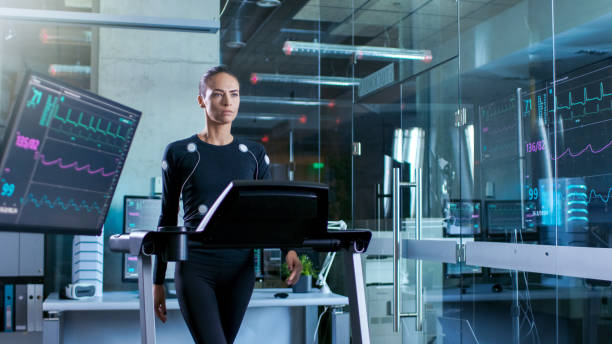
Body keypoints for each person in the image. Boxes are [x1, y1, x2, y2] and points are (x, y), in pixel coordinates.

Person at [153, 65, 303, 344]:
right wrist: (157, 280)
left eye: (233, 94)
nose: (227, 102)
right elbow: (167, 218)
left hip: (240, 269)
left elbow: (269, 210)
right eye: (218, 94)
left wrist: (288, 248)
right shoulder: (178, 152)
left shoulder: (254, 153)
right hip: (195, 266)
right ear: (201, 100)